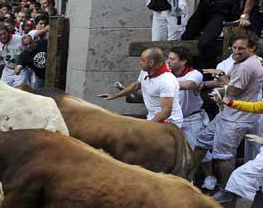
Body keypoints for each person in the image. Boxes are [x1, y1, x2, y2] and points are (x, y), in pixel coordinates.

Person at [193, 35, 263, 192]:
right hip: (227, 115)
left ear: (252, 48)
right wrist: (205, 83)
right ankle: (187, 176)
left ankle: (227, 191)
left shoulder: (247, 66)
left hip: (236, 119)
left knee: (223, 156)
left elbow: (232, 89)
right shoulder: (240, 63)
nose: (236, 51)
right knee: (202, 141)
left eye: (241, 48)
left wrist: (221, 81)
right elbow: (226, 80)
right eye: (235, 47)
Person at [99, 48, 183, 126]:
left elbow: (166, 112)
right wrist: (114, 95)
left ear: (151, 63)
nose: (140, 62)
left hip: (169, 123)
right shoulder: (146, 71)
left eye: (143, 60)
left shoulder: (167, 81)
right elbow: (136, 85)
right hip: (152, 118)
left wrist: (146, 126)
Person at [166, 47, 205, 148]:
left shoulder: (194, 74)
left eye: (172, 59)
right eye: (168, 58)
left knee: (198, 152)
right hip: (171, 120)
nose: (168, 62)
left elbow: (189, 84)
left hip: (190, 120)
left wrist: (163, 83)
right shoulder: (166, 74)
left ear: (183, 61)